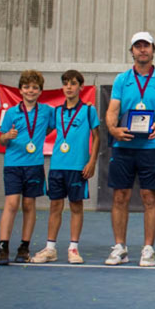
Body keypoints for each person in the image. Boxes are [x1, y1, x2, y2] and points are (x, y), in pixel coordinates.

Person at [104, 31, 155, 267]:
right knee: (120, 197)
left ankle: (148, 249)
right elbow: (112, 110)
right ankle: (120, 248)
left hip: (150, 147)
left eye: (146, 46)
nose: (142, 50)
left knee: (149, 198)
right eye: (138, 46)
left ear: (153, 50)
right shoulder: (121, 80)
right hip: (123, 147)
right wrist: (113, 130)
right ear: (132, 51)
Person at [31, 70, 100, 264]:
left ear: (81, 87)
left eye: (73, 83)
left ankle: (73, 249)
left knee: (76, 207)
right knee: (55, 206)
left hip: (78, 167)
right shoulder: (57, 112)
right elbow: (43, 131)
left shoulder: (88, 110)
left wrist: (92, 161)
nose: (69, 87)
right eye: (65, 84)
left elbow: (97, 137)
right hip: (57, 166)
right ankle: (51, 248)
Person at [0, 70, 55, 264]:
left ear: (40, 91)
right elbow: (1, 139)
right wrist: (7, 136)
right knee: (11, 204)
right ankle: (3, 246)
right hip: (13, 165)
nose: (31, 91)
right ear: (20, 90)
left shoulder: (46, 111)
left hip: (34, 165)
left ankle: (24, 246)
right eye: (27, 87)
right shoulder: (11, 113)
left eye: (35, 88)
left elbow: (53, 126)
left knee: (29, 205)